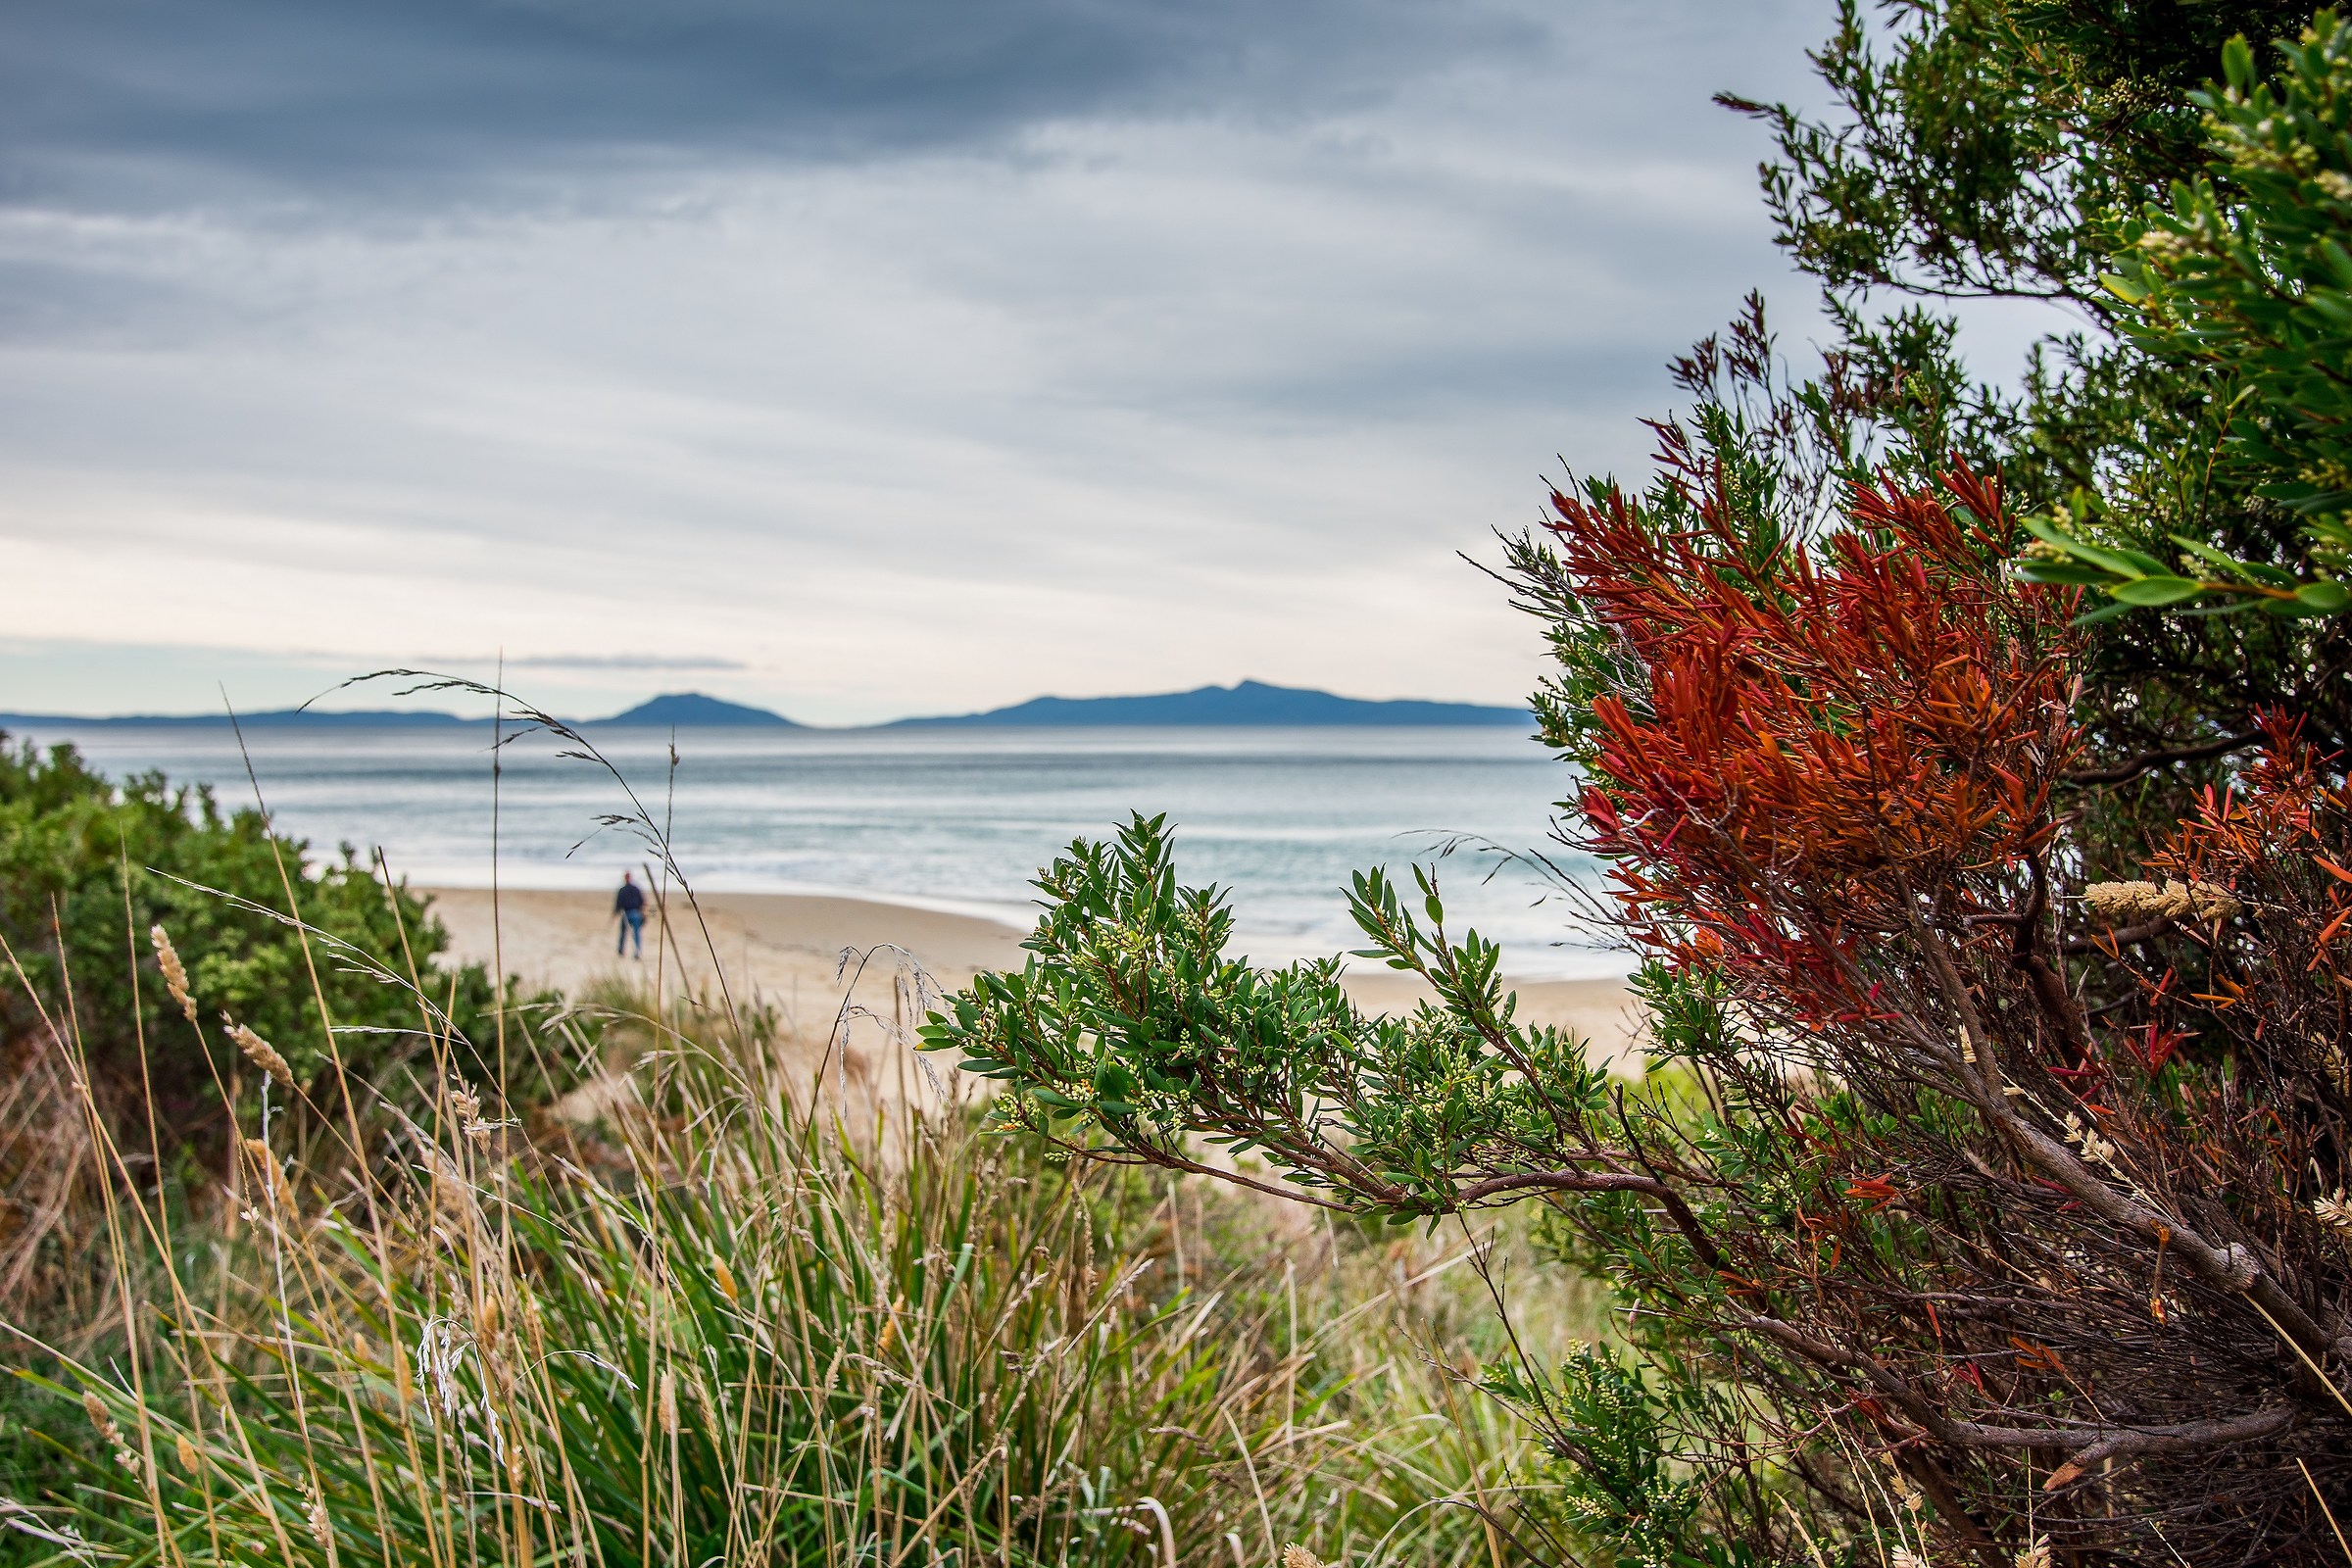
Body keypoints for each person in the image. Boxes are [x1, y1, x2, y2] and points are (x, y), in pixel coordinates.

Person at [613, 871, 647, 958]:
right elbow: (642, 901)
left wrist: (615, 913)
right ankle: (623, 951)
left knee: (632, 933)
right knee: (629, 933)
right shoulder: (633, 889)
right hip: (630, 913)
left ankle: (635, 952)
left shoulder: (626, 889)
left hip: (631, 913)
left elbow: (618, 904)